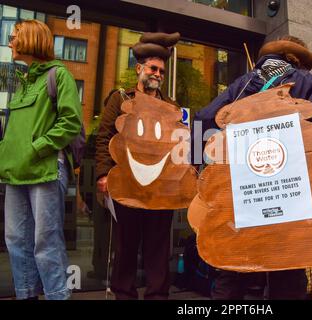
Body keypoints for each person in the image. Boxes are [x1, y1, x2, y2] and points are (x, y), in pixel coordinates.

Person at [192, 35, 312, 300]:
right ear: (296, 59)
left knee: (234, 267)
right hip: (287, 194)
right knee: (286, 267)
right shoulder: (305, 81)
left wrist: (196, 165)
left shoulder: (244, 83)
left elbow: (201, 119)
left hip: (245, 194)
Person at [0, 20, 82, 300]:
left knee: (45, 242)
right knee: (15, 240)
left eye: (15, 37)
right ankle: (26, 294)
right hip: (16, 174)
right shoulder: (23, 83)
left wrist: (36, 149)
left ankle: (57, 295)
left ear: (31, 40)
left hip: (46, 170)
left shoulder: (58, 75)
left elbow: (71, 122)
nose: (11, 42)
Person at [95, 32, 180, 300]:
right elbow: (104, 137)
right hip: (127, 187)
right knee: (126, 246)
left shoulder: (171, 107)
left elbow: (178, 147)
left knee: (157, 248)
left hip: (160, 191)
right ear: (139, 69)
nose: (158, 74)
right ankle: (124, 293)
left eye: (162, 71)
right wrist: (102, 174)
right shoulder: (119, 99)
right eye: (153, 68)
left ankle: (157, 295)